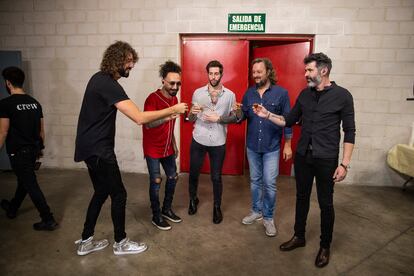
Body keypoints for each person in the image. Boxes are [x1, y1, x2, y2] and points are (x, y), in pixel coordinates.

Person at [74, 41, 188, 256]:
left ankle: (86, 240)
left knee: (100, 192)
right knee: (119, 195)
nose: (131, 65)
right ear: (116, 60)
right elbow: (139, 118)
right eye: (128, 61)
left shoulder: (98, 80)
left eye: (132, 61)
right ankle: (121, 242)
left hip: (89, 147)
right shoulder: (108, 83)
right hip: (99, 150)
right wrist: (173, 109)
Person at [253, 52, 355, 268]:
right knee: (302, 197)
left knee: (326, 203)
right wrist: (267, 114)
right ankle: (299, 236)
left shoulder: (343, 96)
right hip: (303, 157)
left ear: (323, 70)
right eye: (306, 70)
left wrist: (344, 163)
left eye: (309, 70)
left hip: (327, 158)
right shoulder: (304, 95)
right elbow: (289, 120)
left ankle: (325, 246)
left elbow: (350, 131)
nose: (305, 74)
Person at [0, 66, 58, 231]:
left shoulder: (5, 104)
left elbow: (3, 132)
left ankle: (48, 218)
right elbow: (41, 131)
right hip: (32, 150)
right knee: (24, 182)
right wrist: (40, 148)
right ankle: (12, 209)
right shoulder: (34, 103)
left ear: (8, 83)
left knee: (30, 184)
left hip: (18, 152)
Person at [239, 58, 292, 237]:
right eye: (254, 72)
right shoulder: (249, 94)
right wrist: (236, 112)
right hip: (253, 146)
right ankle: (257, 211)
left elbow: (288, 121)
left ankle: (268, 217)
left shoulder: (281, 94)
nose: (256, 75)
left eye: (259, 72)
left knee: (269, 183)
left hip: (272, 147)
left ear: (268, 71)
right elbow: (243, 116)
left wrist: (288, 144)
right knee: (255, 181)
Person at [187, 60, 239, 224]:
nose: (213, 76)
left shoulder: (230, 95)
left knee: (216, 177)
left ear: (221, 74)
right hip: (199, 139)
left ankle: (217, 207)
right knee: (193, 173)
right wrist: (192, 112)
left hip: (218, 141)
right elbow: (190, 119)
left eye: (216, 73)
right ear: (207, 74)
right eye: (211, 73)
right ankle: (193, 199)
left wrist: (220, 118)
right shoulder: (198, 93)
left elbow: (236, 117)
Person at [142, 61, 183, 231]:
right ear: (163, 81)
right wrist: (169, 115)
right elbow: (148, 124)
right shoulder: (152, 98)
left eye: (178, 83)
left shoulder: (175, 99)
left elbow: (171, 127)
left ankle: (166, 209)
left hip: (168, 148)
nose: (175, 86)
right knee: (156, 180)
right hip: (153, 148)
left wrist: (174, 143)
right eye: (171, 83)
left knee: (173, 177)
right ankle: (156, 214)